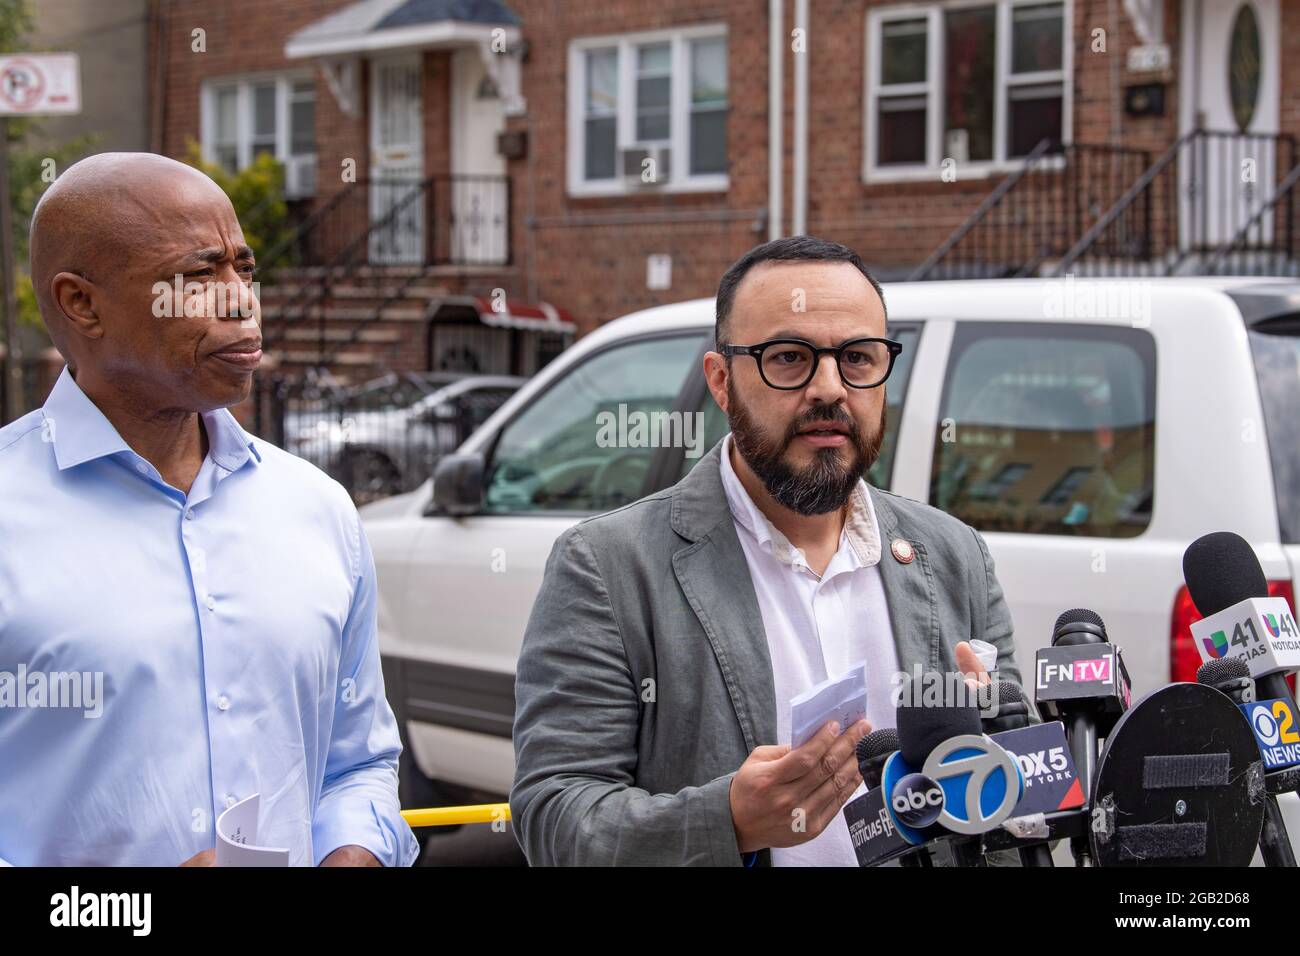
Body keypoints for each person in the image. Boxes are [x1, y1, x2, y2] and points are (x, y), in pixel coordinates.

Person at [511, 235, 1023, 866]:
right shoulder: (608, 568)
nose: (830, 389)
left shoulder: (954, 555)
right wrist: (729, 821)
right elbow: (556, 820)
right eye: (789, 358)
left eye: (858, 358)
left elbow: (1018, 811)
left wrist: (992, 744)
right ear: (722, 383)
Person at [0, 152, 418, 867]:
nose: (241, 301)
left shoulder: (316, 509)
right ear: (81, 304)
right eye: (199, 276)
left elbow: (357, 762)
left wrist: (354, 851)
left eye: (245, 270)